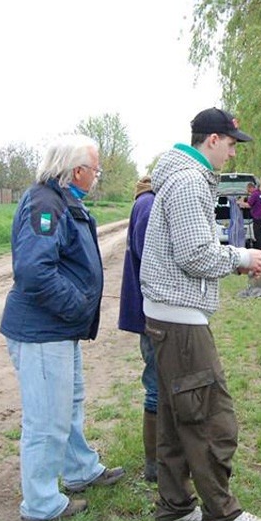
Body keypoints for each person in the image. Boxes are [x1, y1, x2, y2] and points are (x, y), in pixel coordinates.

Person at [140, 107, 261, 521]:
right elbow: (195, 254)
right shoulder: (187, 182)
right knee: (210, 417)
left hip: (169, 316)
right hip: (180, 320)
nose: (232, 155)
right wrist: (242, 257)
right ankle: (223, 515)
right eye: (232, 145)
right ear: (212, 140)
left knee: (178, 419)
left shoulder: (182, 178)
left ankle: (175, 508)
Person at [0, 134, 125, 521]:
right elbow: (34, 271)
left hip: (59, 329)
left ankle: (79, 470)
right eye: (95, 169)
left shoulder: (62, 200)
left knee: (68, 405)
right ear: (76, 171)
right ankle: (40, 501)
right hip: (42, 330)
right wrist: (75, 306)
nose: (97, 176)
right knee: (46, 418)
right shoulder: (45, 203)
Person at [117, 174, 158, 483]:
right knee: (157, 386)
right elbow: (152, 260)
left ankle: (161, 459)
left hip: (150, 312)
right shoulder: (148, 205)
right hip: (151, 314)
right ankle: (155, 465)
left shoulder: (145, 202)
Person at [243, 182, 261, 251]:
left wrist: (239, 203)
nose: (248, 192)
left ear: (250, 188)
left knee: (257, 234)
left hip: (258, 216)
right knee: (259, 233)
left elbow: (248, 205)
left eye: (248, 190)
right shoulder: (260, 193)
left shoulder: (254, 194)